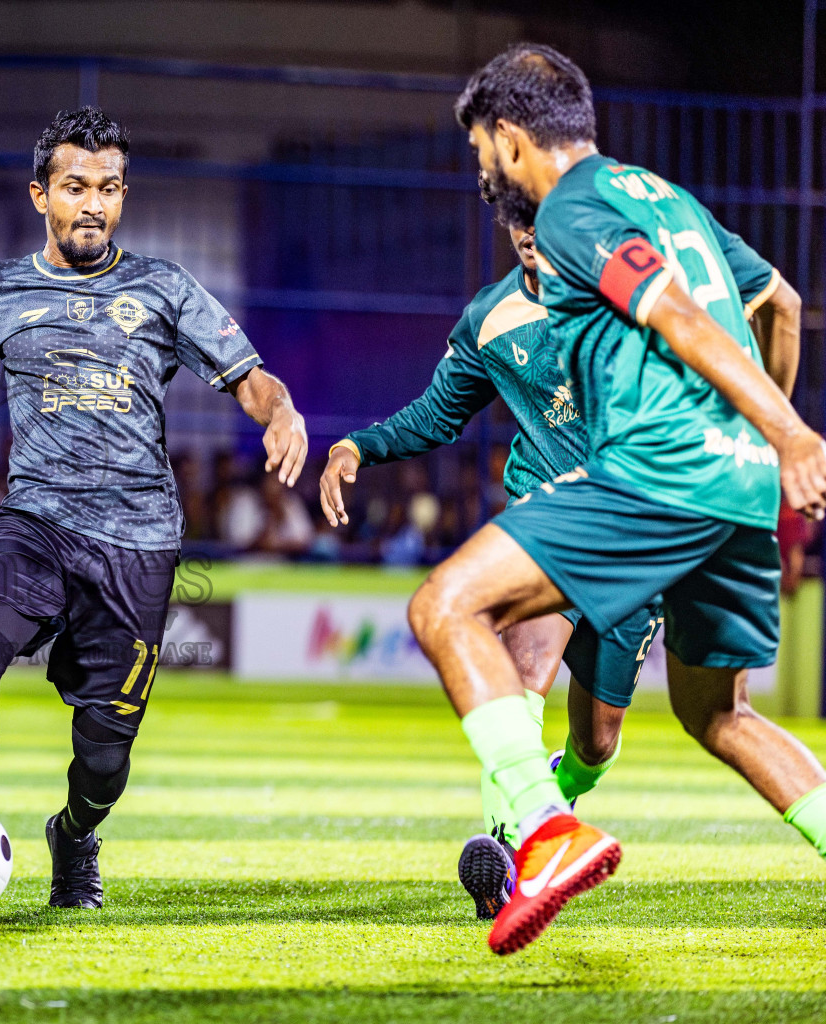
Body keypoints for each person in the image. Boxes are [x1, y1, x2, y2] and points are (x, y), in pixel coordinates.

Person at [0, 106, 307, 908]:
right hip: (36, 522)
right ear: (40, 194)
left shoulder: (163, 288)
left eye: (110, 189)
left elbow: (251, 378)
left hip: (138, 544)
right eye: (77, 187)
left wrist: (283, 413)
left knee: (105, 756)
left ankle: (74, 835)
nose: (94, 204)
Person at [412, 42, 826, 956]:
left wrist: (793, 433)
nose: (486, 175)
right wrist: (763, 437)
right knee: (721, 715)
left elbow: (673, 315)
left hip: (659, 471)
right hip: (738, 488)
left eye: (484, 153)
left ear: (514, 139)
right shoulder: (666, 196)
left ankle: (547, 831)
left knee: (447, 605)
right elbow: (782, 304)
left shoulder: (570, 209)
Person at [317, 194, 674, 920]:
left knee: (598, 742)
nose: (529, 238)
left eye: (542, 223)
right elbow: (436, 412)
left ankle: (559, 790)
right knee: (518, 679)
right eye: (518, 226)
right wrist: (360, 444)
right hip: (545, 521)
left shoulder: (629, 299)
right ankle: (506, 853)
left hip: (631, 535)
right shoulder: (491, 316)